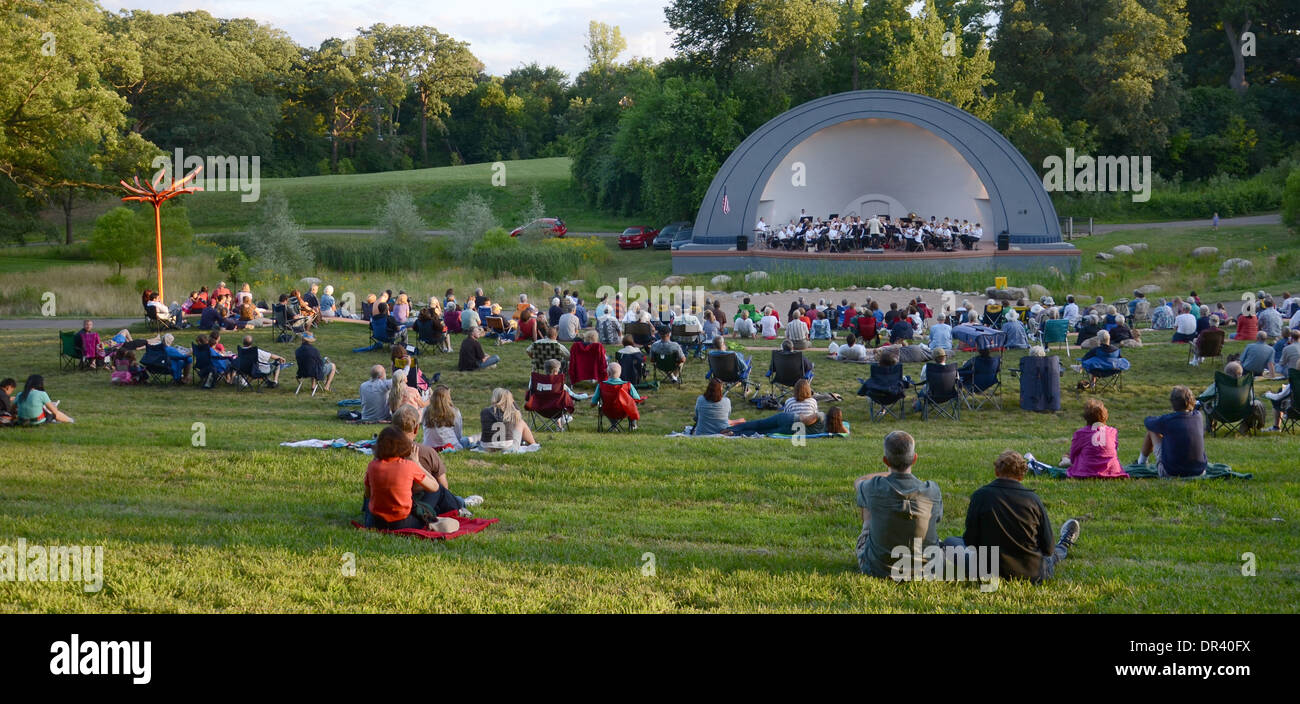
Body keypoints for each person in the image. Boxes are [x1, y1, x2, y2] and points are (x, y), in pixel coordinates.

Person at [942, 451, 1081, 583]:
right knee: (1052, 554)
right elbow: (1048, 547)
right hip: (1032, 572)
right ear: (1022, 476)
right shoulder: (1033, 499)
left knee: (951, 542)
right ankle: (1064, 543)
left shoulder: (980, 496)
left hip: (987, 569)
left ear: (996, 471)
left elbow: (970, 540)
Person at [852, 431, 942, 579]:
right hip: (926, 569)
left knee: (868, 506)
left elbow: (859, 481)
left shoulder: (872, 487)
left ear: (885, 461)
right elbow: (937, 518)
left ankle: (874, 538)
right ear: (914, 459)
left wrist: (889, 474)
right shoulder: (932, 490)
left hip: (878, 569)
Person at [362, 427, 456, 531]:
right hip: (403, 522)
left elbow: (368, 495)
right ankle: (458, 508)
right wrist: (418, 464)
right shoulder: (409, 466)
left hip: (378, 522)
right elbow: (435, 487)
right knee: (439, 491)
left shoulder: (372, 466)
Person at [1139, 386, 1209, 477]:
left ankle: (1141, 463)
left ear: (1172, 403)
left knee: (1152, 430)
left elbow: (1148, 422)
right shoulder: (1198, 416)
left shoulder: (1167, 421)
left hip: (1171, 472)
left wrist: (1156, 418)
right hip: (1200, 471)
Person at [722, 379, 824, 435]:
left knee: (759, 424)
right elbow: (814, 416)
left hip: (787, 418)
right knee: (763, 431)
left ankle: (732, 429)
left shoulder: (790, 401)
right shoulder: (813, 401)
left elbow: (786, 413)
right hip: (795, 426)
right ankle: (734, 433)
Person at [1065, 399, 1128, 478]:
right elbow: (1114, 450)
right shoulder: (1113, 431)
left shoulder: (1080, 433)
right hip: (1113, 471)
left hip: (1085, 471)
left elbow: (1073, 455)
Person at [1197, 360, 1266, 431]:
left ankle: (1210, 427)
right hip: (1241, 413)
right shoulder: (1245, 385)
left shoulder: (1219, 385)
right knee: (1254, 404)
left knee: (1205, 403)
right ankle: (1245, 427)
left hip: (1221, 414)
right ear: (1241, 374)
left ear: (1226, 373)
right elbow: (1252, 399)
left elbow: (1203, 397)